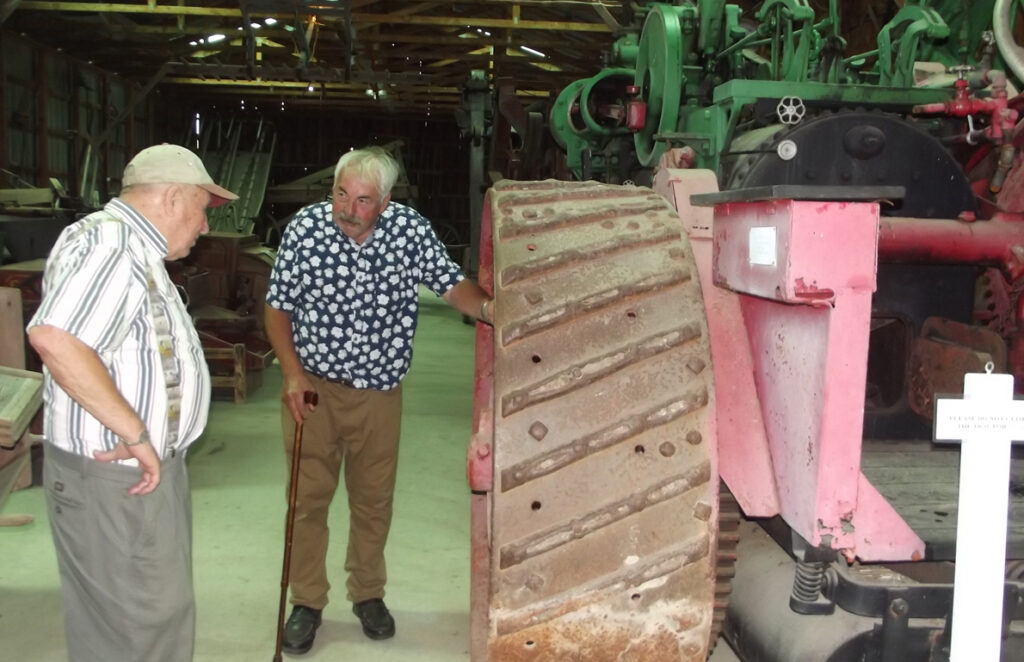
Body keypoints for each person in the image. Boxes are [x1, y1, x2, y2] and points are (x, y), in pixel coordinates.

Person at [265, 146, 493, 654]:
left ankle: (367, 594)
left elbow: (451, 285)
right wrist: (292, 375)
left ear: (385, 201)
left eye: (362, 199)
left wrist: (493, 310)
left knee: (373, 502)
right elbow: (277, 309)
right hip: (313, 392)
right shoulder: (306, 230)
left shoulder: (410, 231)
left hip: (379, 395)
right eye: (340, 194)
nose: (347, 208)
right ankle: (307, 601)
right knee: (307, 502)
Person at [26, 144, 238, 662]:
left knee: (150, 618)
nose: (205, 228)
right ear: (170, 197)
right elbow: (55, 338)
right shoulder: (111, 245)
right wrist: (137, 433)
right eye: (201, 210)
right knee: (133, 628)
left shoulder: (132, 250)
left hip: (134, 474)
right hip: (114, 476)